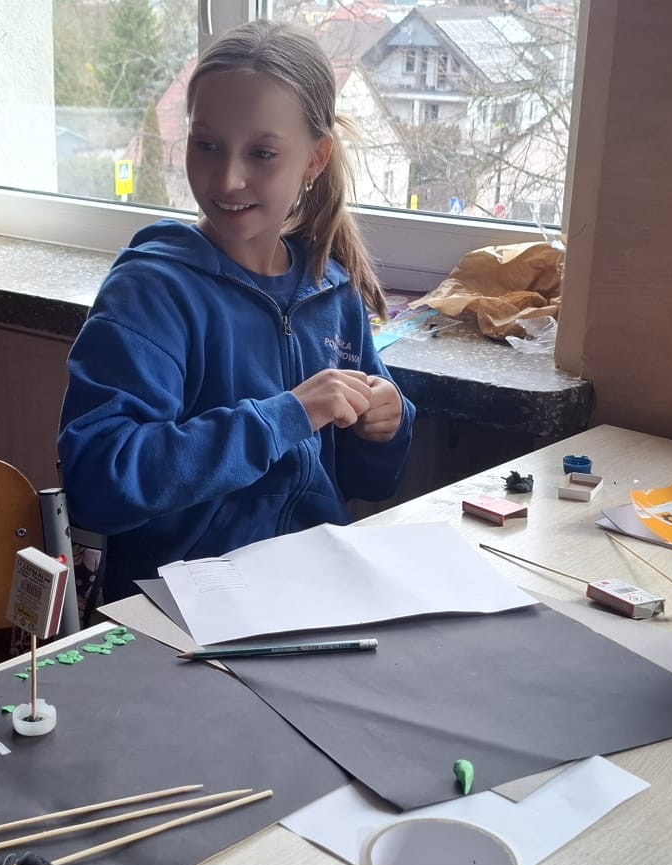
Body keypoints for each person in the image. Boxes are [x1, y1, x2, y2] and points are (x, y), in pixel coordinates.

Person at [58, 20, 415, 594]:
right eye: (207, 145)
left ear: (315, 160)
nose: (227, 179)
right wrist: (284, 417)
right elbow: (99, 481)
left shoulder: (333, 292)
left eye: (263, 153)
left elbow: (367, 484)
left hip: (312, 586)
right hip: (179, 600)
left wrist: (386, 427)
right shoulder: (151, 291)